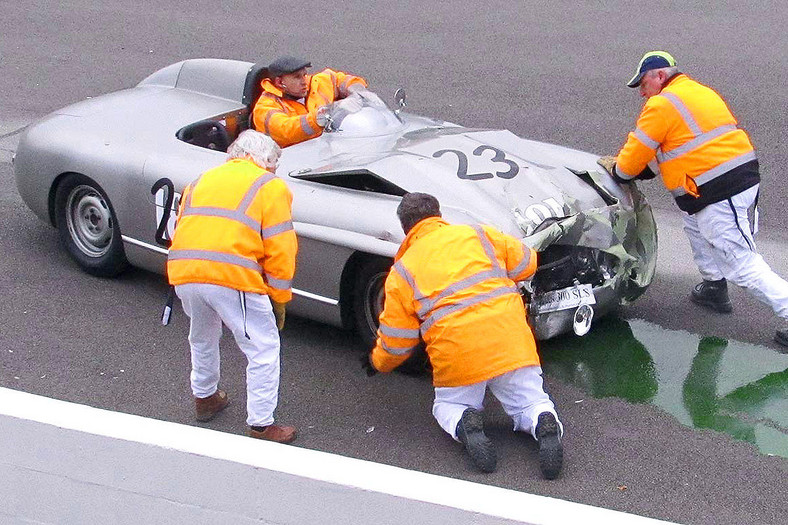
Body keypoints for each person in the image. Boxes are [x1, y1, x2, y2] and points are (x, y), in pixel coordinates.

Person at [363, 192, 564, 478]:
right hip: (509, 340)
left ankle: (465, 421)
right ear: (438, 214)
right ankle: (543, 420)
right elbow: (527, 264)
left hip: (457, 353)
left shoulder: (402, 272)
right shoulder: (478, 234)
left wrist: (377, 362)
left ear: (405, 228)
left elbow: (398, 341)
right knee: (532, 401)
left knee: (450, 404)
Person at [598, 51, 788, 347]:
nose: (642, 93)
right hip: (722, 183)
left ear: (660, 76)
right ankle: (713, 286)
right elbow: (686, 144)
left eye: (643, 85)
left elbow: (629, 163)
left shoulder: (661, 104)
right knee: (694, 224)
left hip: (721, 190)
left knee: (742, 264)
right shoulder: (699, 92)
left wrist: (618, 169)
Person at [167, 130, 298, 443]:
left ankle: (205, 397)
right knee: (263, 347)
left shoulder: (201, 181)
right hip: (232, 275)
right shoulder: (268, 185)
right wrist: (279, 298)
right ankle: (262, 424)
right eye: (274, 165)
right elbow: (281, 249)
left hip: (184, 271)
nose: (274, 172)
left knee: (202, 336)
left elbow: (180, 226)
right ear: (262, 160)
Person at [252, 55, 378, 147]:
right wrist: (327, 113)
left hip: (325, 151)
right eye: (297, 77)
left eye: (304, 75)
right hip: (290, 163)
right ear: (280, 82)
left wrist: (358, 90)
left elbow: (339, 79)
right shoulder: (265, 107)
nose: (304, 81)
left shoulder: (315, 83)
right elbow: (286, 130)